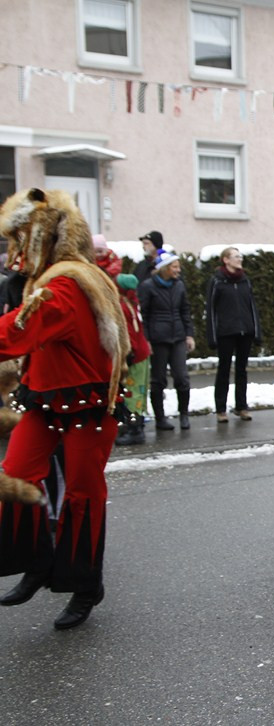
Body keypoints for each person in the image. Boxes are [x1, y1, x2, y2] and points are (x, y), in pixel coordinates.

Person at [0, 187, 130, 629]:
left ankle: (84, 585)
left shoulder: (67, 283)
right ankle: (38, 559)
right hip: (45, 399)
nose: (14, 252)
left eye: (20, 240)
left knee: (82, 494)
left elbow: (18, 332)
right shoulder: (53, 278)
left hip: (88, 405)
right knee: (15, 474)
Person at [138, 250, 195, 431]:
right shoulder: (148, 286)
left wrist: (189, 334)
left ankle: (184, 415)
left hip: (177, 337)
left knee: (182, 377)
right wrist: (145, 340)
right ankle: (160, 418)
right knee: (158, 380)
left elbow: (185, 311)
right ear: (164, 268)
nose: (178, 270)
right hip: (158, 339)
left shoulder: (179, 286)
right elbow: (143, 316)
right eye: (175, 267)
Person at [206, 247, 261, 423]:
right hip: (225, 332)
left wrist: (256, 330)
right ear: (226, 260)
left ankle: (241, 407)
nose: (240, 259)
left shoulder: (245, 280)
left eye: (240, 256)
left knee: (241, 370)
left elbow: (252, 306)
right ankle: (221, 409)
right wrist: (212, 336)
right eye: (236, 257)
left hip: (244, 331)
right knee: (224, 370)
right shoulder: (217, 281)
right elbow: (211, 310)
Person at [114, 273, 151, 446]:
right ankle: (138, 424)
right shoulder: (132, 302)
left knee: (131, 392)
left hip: (134, 356)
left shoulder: (122, 305)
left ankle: (135, 429)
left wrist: (128, 356)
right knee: (140, 390)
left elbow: (129, 334)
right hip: (142, 354)